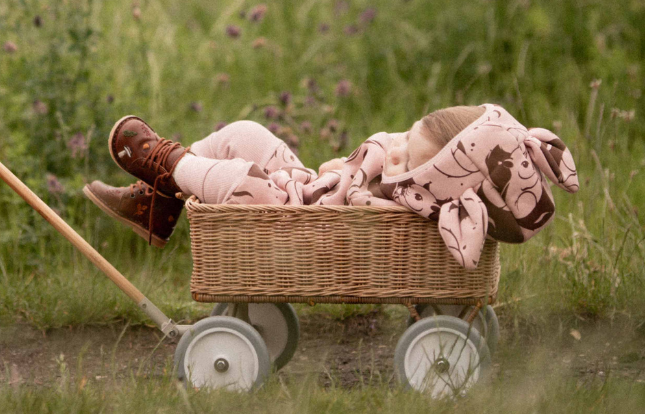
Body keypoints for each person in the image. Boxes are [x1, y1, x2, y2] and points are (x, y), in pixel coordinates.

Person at [85, 103, 577, 268]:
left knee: (247, 187)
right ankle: (160, 204)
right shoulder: (399, 167)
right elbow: (360, 166)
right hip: (306, 188)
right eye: (405, 137)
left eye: (408, 157)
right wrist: (353, 168)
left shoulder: (408, 211)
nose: (395, 149)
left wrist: (345, 185)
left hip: (300, 219)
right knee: (247, 134)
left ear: (433, 186)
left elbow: (355, 217)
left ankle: (167, 162)